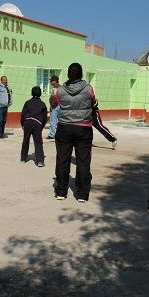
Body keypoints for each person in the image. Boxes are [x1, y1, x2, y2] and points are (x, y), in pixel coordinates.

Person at [54, 62, 95, 202]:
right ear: (81, 74)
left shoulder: (60, 90)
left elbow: (58, 103)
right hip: (83, 128)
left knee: (62, 160)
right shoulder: (89, 88)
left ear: (68, 74)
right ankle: (82, 194)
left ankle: (61, 192)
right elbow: (93, 102)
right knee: (83, 162)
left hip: (64, 127)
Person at [21, 86, 48, 167]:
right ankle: (40, 161)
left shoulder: (27, 102)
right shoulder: (42, 104)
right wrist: (42, 126)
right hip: (37, 123)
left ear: (32, 93)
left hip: (28, 122)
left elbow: (23, 114)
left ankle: (23, 158)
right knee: (38, 142)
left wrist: (23, 124)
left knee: (26, 140)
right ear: (40, 93)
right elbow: (44, 117)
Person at [47, 75, 60, 139]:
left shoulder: (55, 89)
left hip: (55, 106)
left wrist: (52, 106)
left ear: (55, 81)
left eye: (51, 81)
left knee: (53, 120)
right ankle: (58, 134)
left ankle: (52, 134)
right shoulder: (61, 87)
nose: (50, 82)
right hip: (60, 106)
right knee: (59, 121)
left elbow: (54, 99)